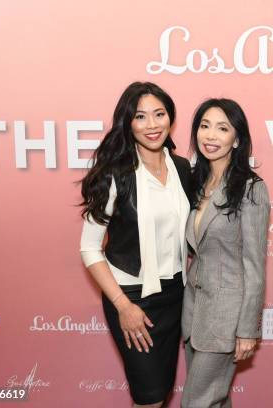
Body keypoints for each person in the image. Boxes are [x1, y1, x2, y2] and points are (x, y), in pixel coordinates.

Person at [79, 82, 191, 407]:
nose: (152, 125)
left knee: (161, 392)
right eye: (141, 116)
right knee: (150, 397)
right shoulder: (114, 174)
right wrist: (123, 306)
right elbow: (89, 248)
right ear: (127, 122)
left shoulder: (182, 168)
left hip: (174, 294)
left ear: (171, 117)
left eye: (159, 114)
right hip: (130, 298)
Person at [181, 98, 270, 407]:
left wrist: (248, 330)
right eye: (204, 127)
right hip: (194, 312)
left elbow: (255, 265)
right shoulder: (196, 182)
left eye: (222, 128)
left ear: (237, 139)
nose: (211, 136)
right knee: (214, 401)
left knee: (196, 402)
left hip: (226, 318)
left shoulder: (250, 187)